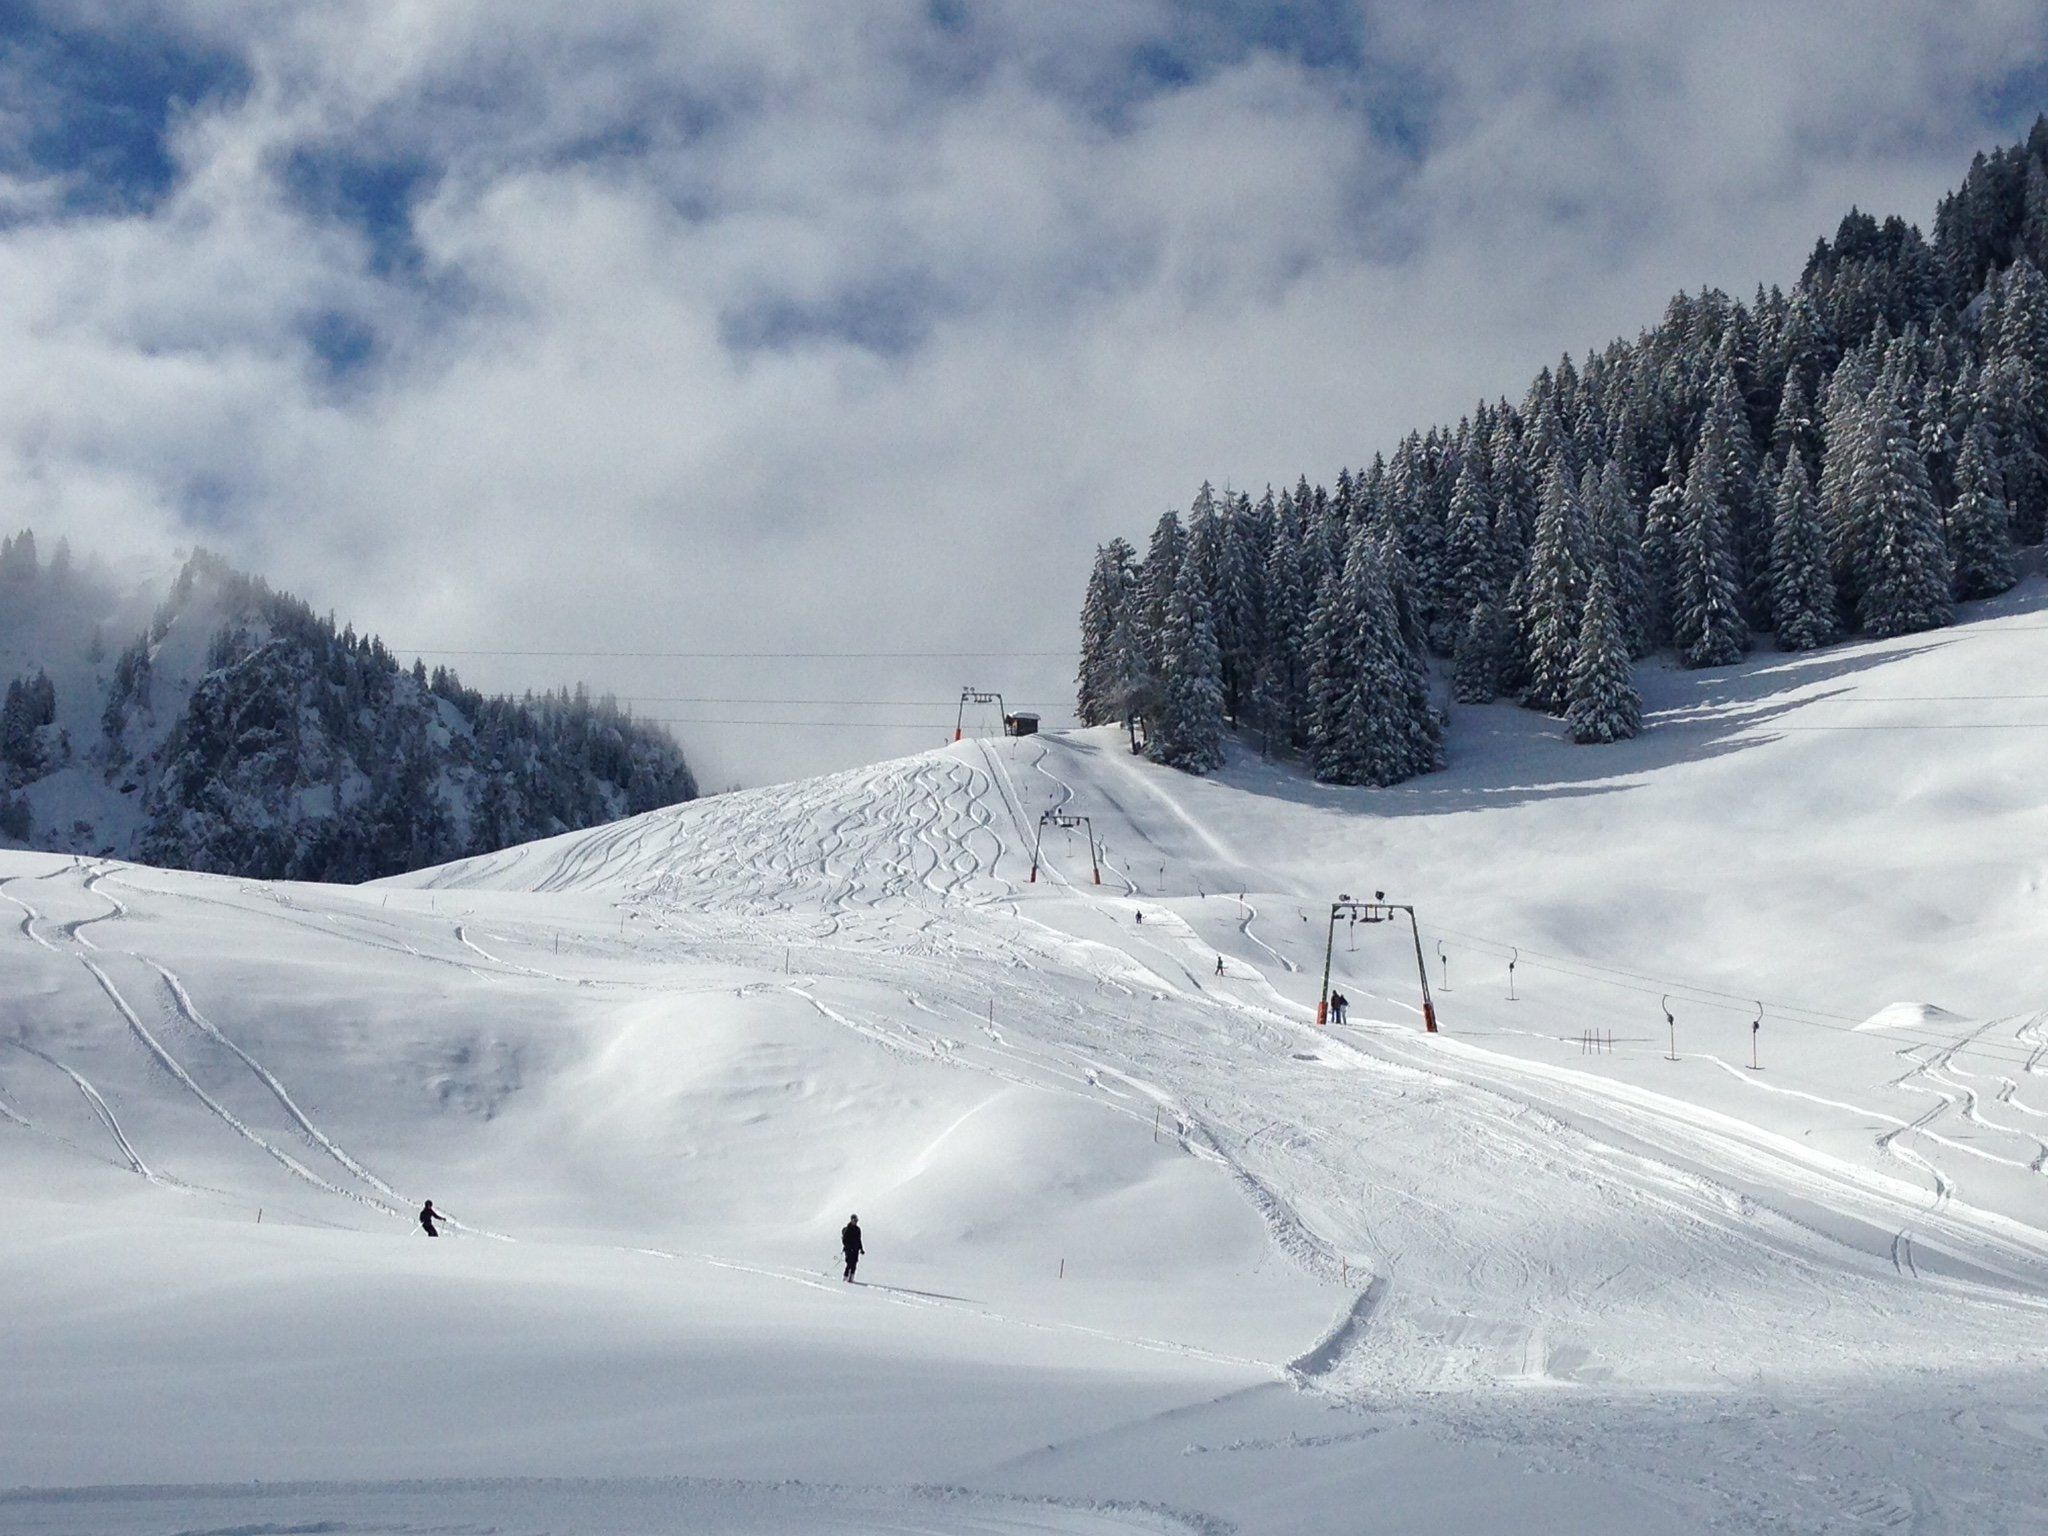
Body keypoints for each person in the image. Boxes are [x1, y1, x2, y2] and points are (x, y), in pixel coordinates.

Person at [841, 1214, 864, 1282]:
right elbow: (844, 1240)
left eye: (856, 1221)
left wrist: (861, 1249)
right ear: (851, 1220)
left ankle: (851, 1278)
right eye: (854, 1220)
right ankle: (845, 1278)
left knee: (854, 1264)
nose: (855, 1222)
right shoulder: (848, 1229)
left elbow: (859, 1240)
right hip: (849, 1250)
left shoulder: (858, 1229)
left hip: (855, 1249)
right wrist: (848, 1247)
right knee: (849, 1263)